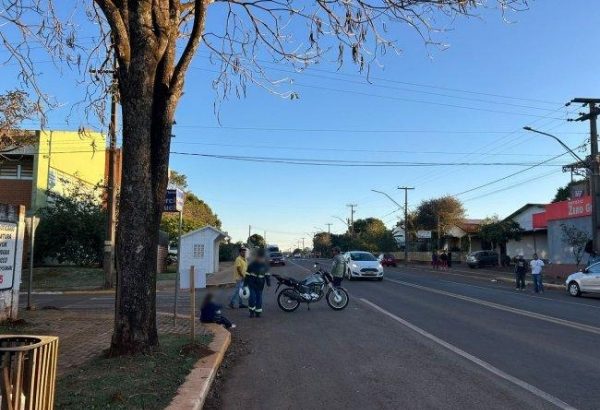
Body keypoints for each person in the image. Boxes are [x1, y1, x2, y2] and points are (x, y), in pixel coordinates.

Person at [245, 248, 271, 318]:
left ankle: (258, 312)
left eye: (262, 257)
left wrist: (268, 284)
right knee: (252, 298)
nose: (261, 259)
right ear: (256, 257)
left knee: (259, 299)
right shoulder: (251, 265)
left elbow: (267, 275)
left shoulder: (265, 266)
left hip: (260, 285)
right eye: (259, 257)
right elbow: (247, 275)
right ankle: (251, 312)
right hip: (252, 284)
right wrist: (245, 284)